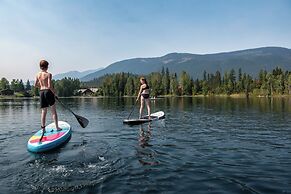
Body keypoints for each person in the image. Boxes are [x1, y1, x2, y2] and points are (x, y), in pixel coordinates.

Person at [34, 60, 61, 142]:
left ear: (40, 66)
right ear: (47, 66)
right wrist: (55, 94)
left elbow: (35, 85)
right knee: (53, 111)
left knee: (43, 112)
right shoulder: (48, 74)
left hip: (41, 92)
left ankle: (43, 129)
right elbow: (49, 86)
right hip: (48, 92)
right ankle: (57, 127)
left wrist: (41, 86)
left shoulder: (37, 75)